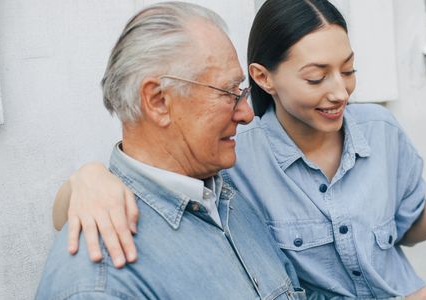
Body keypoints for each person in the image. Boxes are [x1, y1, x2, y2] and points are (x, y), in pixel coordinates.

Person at [53, 0, 426, 298]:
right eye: (316, 77)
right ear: (263, 77)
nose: (340, 92)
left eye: (349, 70)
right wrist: (87, 180)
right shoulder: (230, 161)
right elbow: (127, 195)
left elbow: (405, 228)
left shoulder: (380, 131)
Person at [36, 3, 306, 299]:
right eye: (229, 92)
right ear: (158, 102)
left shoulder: (224, 196)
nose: (246, 114)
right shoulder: (98, 282)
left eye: (242, 91)